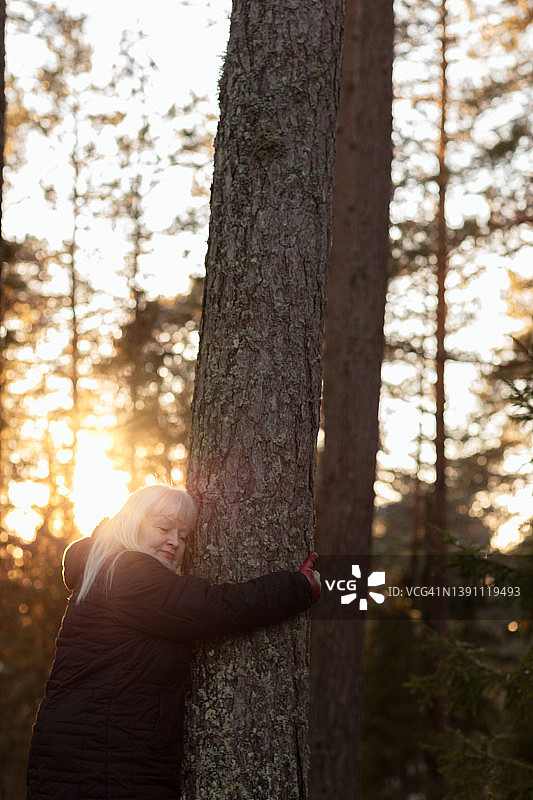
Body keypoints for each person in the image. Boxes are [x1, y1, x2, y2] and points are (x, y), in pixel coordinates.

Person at [26, 484, 321, 800]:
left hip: (93, 758)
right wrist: (297, 588)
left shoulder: (104, 570)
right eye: (164, 528)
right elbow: (214, 607)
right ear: (131, 524)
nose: (174, 541)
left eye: (184, 536)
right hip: (103, 765)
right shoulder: (127, 571)